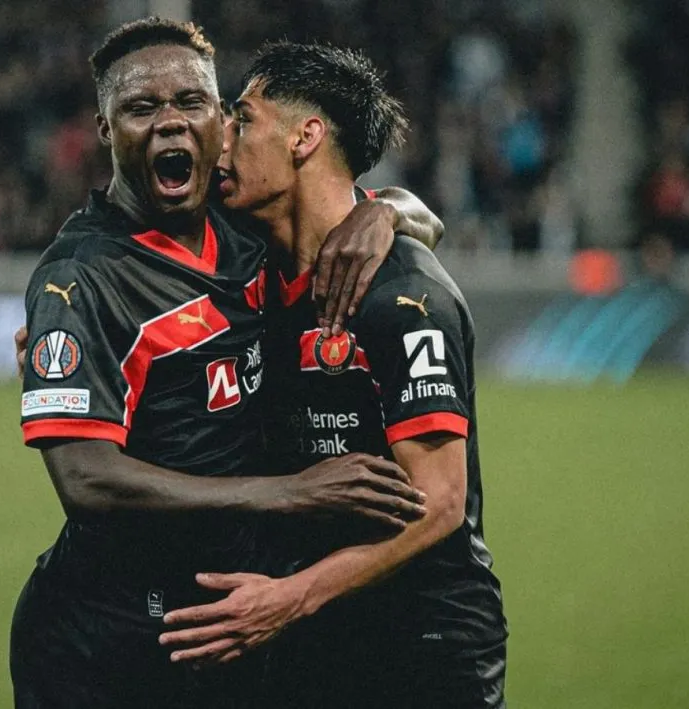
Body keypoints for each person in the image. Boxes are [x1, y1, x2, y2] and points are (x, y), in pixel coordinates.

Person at [10, 18, 443, 709]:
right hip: (105, 636)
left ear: (220, 119)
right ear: (104, 128)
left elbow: (407, 214)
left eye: (191, 102)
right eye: (141, 107)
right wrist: (286, 489)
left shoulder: (245, 223)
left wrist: (384, 208)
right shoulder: (81, 278)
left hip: (236, 616)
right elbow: (83, 476)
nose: (170, 124)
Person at [158, 42, 507, 707]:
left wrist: (288, 598)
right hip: (312, 637)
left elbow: (438, 504)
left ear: (305, 137)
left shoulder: (404, 297)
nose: (221, 140)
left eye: (245, 118)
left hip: (423, 648)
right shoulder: (251, 260)